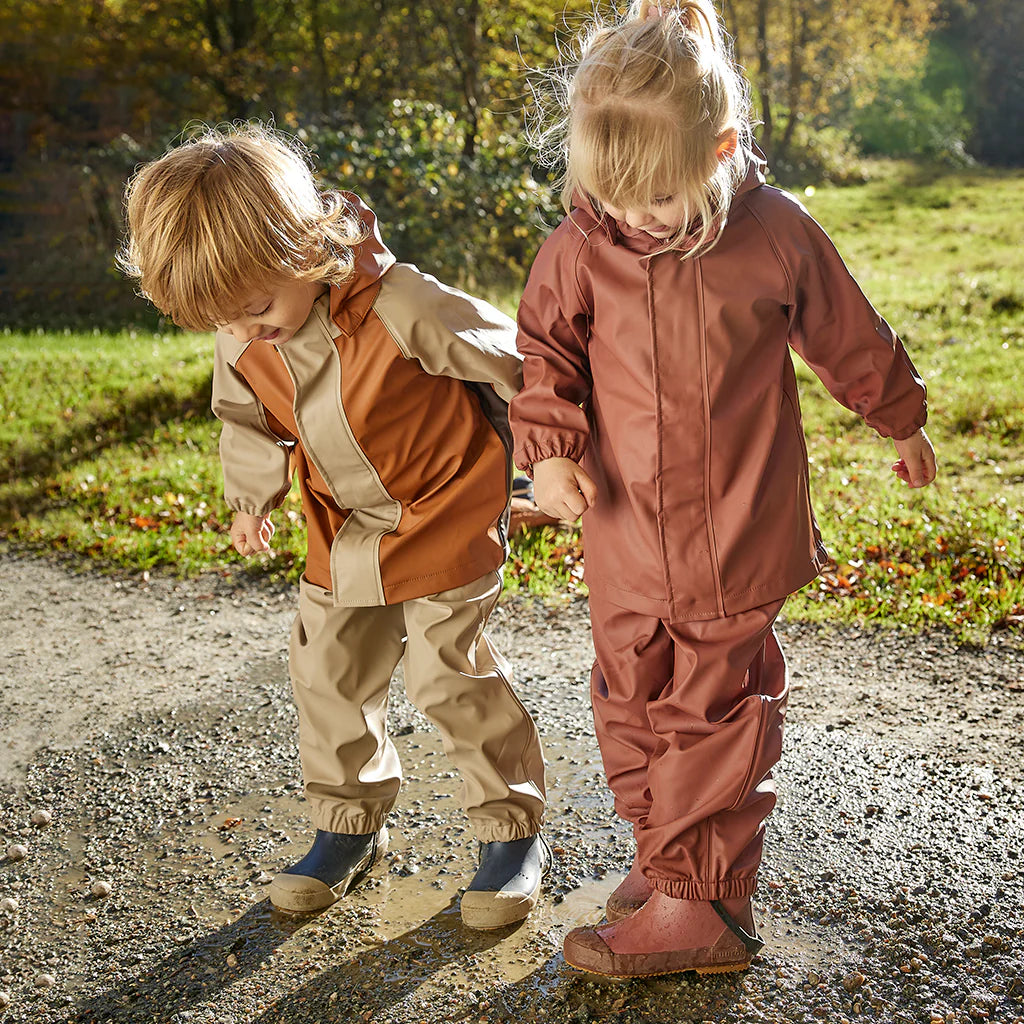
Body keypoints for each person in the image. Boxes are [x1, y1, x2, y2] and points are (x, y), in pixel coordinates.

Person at [509, 0, 936, 978]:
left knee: (712, 710)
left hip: (735, 532)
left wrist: (898, 414)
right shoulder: (583, 246)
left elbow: (846, 333)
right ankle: (670, 860)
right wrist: (552, 451)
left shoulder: (772, 233)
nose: (636, 220)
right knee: (630, 692)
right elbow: (544, 356)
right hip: (623, 532)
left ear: (720, 148)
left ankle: (696, 907)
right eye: (613, 199)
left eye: (658, 197)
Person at [118, 123, 550, 928]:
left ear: (304, 246)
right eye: (224, 320)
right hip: (345, 524)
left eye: (254, 308)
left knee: (446, 674)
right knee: (328, 676)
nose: (245, 331)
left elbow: (519, 368)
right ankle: (347, 828)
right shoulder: (244, 332)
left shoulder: (404, 305)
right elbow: (245, 419)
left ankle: (509, 833)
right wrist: (252, 497)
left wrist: (546, 459)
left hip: (443, 507)